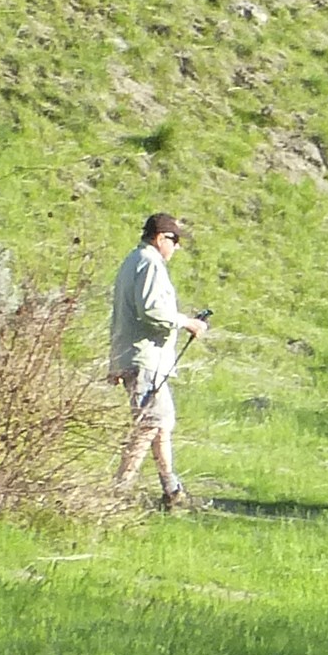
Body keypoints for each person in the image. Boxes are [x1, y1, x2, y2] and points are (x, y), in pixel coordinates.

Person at [109, 211, 209, 511]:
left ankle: (172, 491)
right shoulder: (150, 263)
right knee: (150, 425)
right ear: (159, 238)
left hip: (138, 357)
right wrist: (187, 322)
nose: (177, 248)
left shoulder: (132, 261)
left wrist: (114, 362)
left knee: (161, 425)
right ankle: (118, 490)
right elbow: (151, 311)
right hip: (146, 360)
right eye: (174, 240)